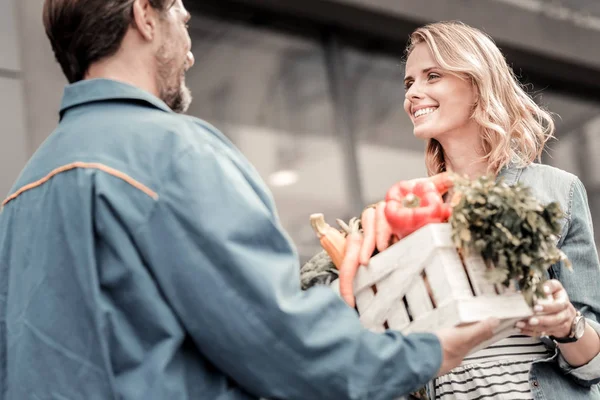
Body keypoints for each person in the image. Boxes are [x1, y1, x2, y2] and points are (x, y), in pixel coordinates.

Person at [0, 2, 499, 399]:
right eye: (179, 13)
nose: (189, 49)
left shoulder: (20, 194)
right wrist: (425, 352)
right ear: (144, 16)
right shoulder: (175, 153)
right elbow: (280, 343)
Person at [359, 21, 600, 399]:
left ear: (476, 84)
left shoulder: (556, 190)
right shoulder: (408, 213)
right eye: (409, 83)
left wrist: (567, 323)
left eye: (432, 76)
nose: (413, 94)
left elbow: (594, 366)